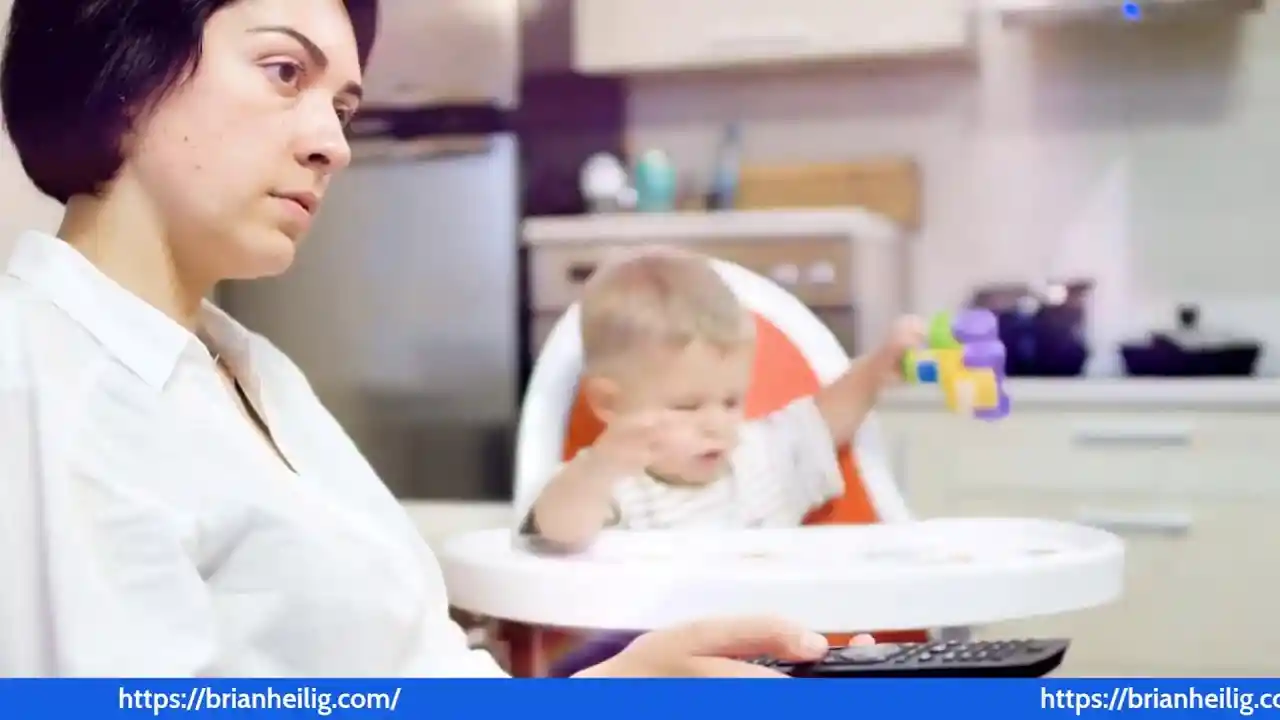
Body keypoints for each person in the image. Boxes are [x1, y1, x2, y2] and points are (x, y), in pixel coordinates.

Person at [0, 0, 836, 677]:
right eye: (284, 72)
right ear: (127, 73)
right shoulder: (41, 385)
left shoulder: (250, 371)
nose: (333, 144)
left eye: (343, 108)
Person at [526, 248, 924, 548]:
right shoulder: (616, 490)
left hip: (775, 633)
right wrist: (602, 465)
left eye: (731, 402)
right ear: (610, 403)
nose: (716, 424)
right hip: (665, 638)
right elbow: (557, 530)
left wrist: (878, 368)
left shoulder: (756, 460)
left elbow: (824, 421)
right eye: (687, 406)